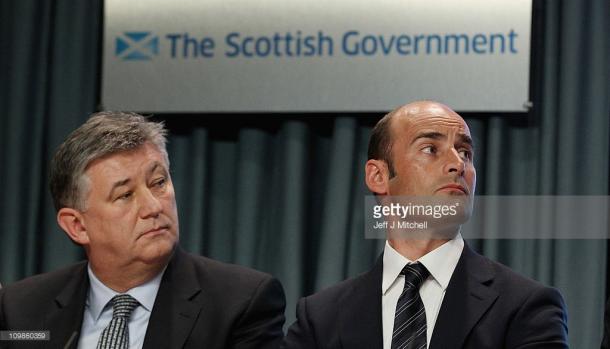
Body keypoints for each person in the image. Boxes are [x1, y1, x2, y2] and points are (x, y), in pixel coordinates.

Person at [282, 101, 568, 348]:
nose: (458, 164)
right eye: (431, 149)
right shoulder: (321, 317)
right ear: (378, 176)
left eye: (465, 153)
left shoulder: (526, 306)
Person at [0, 112, 285, 349]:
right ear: (77, 226)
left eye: (158, 182)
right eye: (125, 195)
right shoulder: (22, 311)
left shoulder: (240, 304)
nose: (152, 207)